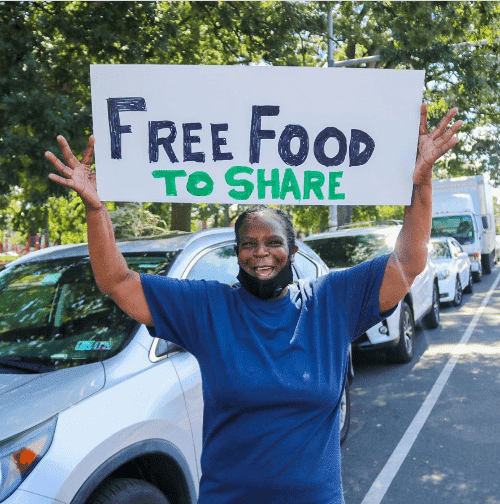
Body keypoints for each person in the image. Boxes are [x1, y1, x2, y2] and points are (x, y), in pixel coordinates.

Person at [45, 103, 462, 504]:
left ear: (293, 250)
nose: (260, 252)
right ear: (237, 253)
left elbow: (409, 260)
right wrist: (96, 208)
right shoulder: (208, 309)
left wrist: (421, 182)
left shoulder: (333, 302)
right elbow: (117, 281)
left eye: (273, 242)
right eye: (249, 244)